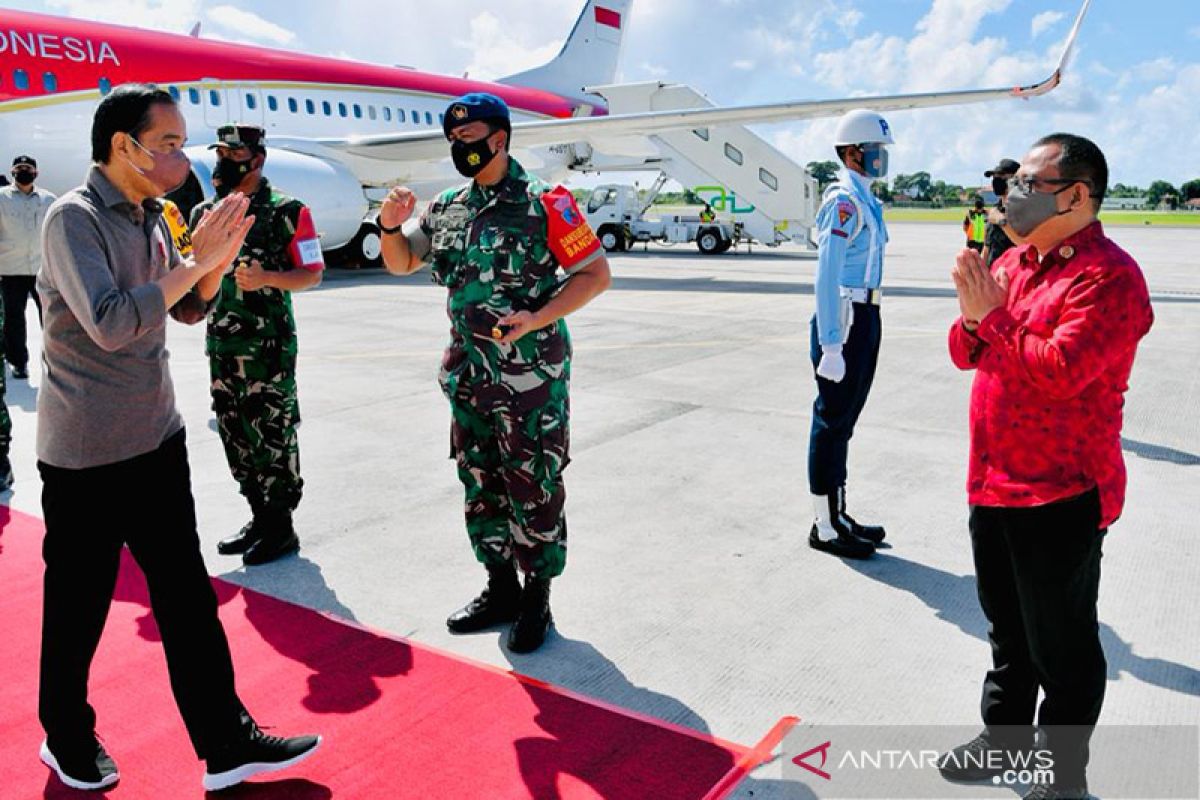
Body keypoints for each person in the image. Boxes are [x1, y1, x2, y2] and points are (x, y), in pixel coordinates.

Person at [36, 84, 320, 792]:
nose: (180, 155)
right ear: (123, 146)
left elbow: (187, 307)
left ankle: (226, 742)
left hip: (156, 440)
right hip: (86, 455)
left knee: (188, 599)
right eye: (166, 143)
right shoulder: (72, 220)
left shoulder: (154, 215)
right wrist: (195, 265)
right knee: (79, 606)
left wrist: (213, 261)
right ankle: (65, 736)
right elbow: (110, 322)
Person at [939, 133, 1153, 800]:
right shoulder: (1018, 263)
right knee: (1007, 634)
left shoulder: (1109, 278)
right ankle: (1002, 744)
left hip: (1060, 494)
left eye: (1031, 182)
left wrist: (993, 320)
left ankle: (1061, 777)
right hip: (993, 482)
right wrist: (976, 319)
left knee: (1063, 650)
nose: (1013, 194)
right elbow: (964, 353)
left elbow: (1061, 372)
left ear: (1078, 195)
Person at [379, 93, 611, 653]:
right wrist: (389, 227)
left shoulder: (547, 203)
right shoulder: (447, 206)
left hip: (530, 379)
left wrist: (538, 317)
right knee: (480, 482)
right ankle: (500, 586)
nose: (461, 146)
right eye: (453, 139)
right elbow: (404, 260)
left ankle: (538, 598)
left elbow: (594, 274)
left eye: (471, 136)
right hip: (469, 377)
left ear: (500, 139)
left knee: (534, 484)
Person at [190, 124, 324, 566]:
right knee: (234, 431)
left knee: (272, 435)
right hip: (223, 347)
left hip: (268, 351)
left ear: (257, 160)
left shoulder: (289, 210)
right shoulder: (206, 213)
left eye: (234, 154)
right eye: (220, 153)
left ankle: (281, 525)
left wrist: (267, 278)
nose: (224, 161)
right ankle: (258, 513)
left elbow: (312, 273)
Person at [807, 108, 893, 559]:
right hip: (846, 317)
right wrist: (832, 342)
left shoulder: (865, 199)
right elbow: (827, 276)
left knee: (846, 421)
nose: (883, 157)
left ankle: (838, 514)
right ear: (853, 152)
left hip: (867, 314)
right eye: (877, 150)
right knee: (831, 419)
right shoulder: (842, 202)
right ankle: (824, 525)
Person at [0, 155, 56, 379]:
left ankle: (54, 359)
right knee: (14, 319)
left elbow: (57, 233)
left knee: (51, 317)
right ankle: (18, 363)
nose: (24, 171)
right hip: (10, 268)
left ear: (36, 173)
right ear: (12, 172)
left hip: (42, 269)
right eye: (19, 168)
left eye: (28, 168)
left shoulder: (48, 200)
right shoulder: (1, 199)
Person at [982, 157, 1020, 267]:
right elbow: (987, 248)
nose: (996, 180)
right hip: (992, 277)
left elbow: (1029, 248)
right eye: (994, 177)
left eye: (1002, 176)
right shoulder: (994, 211)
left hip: (1014, 276)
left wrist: (1001, 221)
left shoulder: (1027, 211)